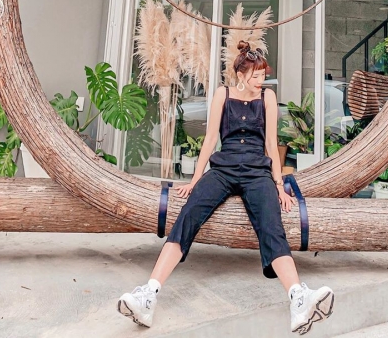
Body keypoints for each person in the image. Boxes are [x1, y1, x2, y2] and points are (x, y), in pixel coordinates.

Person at [118, 41, 334, 334]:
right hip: (223, 169)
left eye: (263, 75)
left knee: (271, 225)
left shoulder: (268, 97)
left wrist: (279, 184)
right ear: (241, 75)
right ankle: (148, 294)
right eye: (256, 76)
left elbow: (272, 144)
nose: (261, 81)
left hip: (257, 172)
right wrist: (195, 180)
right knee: (188, 215)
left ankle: (298, 298)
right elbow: (210, 139)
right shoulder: (223, 93)